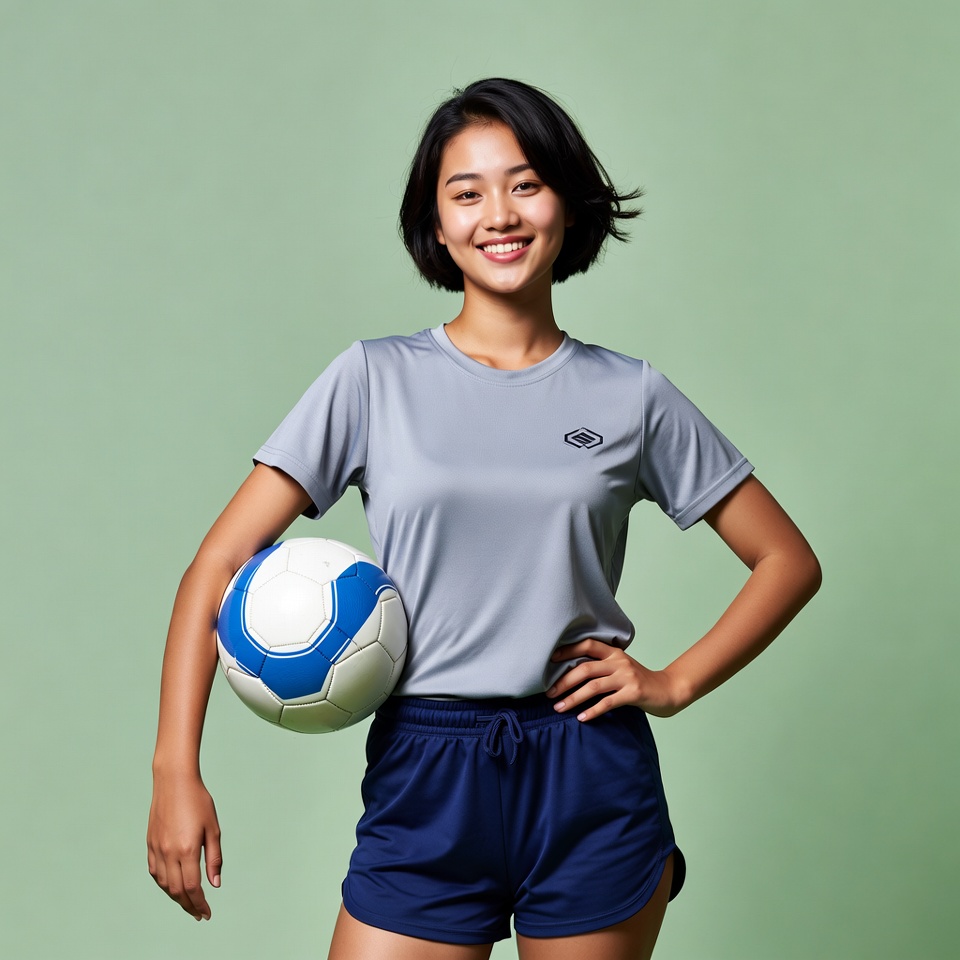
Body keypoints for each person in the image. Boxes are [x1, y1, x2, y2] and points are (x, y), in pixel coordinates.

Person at [147, 78, 821, 960]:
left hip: (588, 772)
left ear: (569, 208)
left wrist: (674, 682)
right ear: (434, 224)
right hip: (425, 770)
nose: (498, 213)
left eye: (526, 183)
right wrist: (175, 769)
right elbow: (219, 563)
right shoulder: (371, 380)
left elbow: (786, 560)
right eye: (466, 192)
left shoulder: (632, 396)